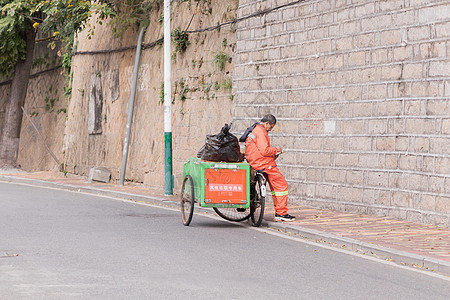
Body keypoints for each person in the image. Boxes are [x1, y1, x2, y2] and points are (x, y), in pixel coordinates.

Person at [241, 114, 295, 222]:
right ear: (267, 123)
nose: (271, 129)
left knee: (276, 187)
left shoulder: (255, 130)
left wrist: (274, 155)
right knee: (282, 185)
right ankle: (281, 213)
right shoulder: (261, 132)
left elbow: (259, 150)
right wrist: (276, 149)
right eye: (271, 127)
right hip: (263, 163)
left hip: (255, 161)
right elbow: (264, 151)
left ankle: (280, 211)